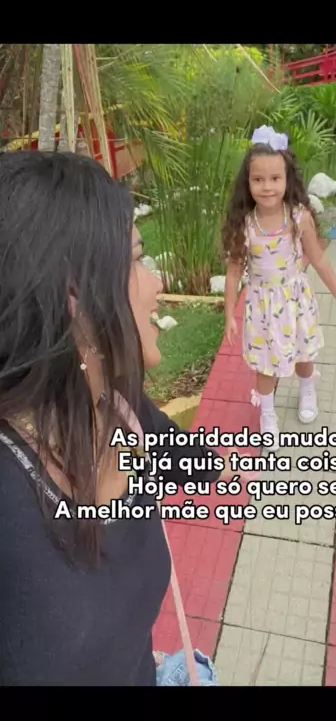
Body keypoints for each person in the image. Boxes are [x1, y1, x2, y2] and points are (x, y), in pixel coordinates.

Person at [0, 150, 254, 686]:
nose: (155, 283)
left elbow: (192, 462)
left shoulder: (119, 410)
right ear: (74, 297)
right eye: (138, 260)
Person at [222, 126, 336, 450]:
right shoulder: (245, 225)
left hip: (295, 302)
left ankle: (307, 389)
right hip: (262, 309)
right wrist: (229, 315)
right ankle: (267, 414)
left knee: (303, 354)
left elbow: (319, 260)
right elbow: (233, 274)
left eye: (275, 178)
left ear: (287, 179)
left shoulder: (299, 217)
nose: (267, 186)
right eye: (258, 179)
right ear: (248, 182)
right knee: (265, 365)